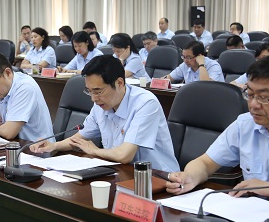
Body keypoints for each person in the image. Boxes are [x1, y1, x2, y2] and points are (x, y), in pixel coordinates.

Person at [166, 55, 269, 210]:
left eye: (263, 97)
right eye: (249, 95)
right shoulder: (245, 124)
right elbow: (205, 163)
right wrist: (190, 177)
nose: (253, 105)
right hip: (252, 217)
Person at [30, 55, 179, 172]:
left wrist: (94, 150)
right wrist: (53, 146)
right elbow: (79, 139)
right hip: (121, 171)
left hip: (158, 178)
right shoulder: (100, 105)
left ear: (119, 83)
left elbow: (124, 155)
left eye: (98, 91)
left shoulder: (145, 103)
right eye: (89, 91)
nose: (94, 99)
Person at [0, 51, 53, 141]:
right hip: (7, 144)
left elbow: (8, 132)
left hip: (36, 147)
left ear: (8, 73)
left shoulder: (25, 87)